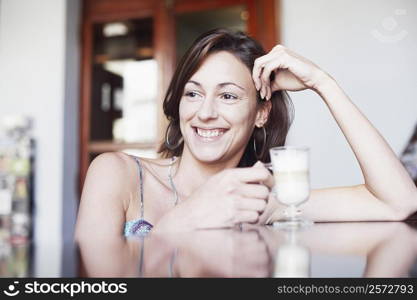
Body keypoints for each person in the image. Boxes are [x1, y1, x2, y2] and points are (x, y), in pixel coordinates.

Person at [75, 29, 417, 240]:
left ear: (260, 113)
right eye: (193, 93)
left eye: (228, 96)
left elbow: (398, 201)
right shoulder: (115, 173)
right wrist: (183, 221)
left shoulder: (261, 203)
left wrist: (322, 83)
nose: (205, 112)